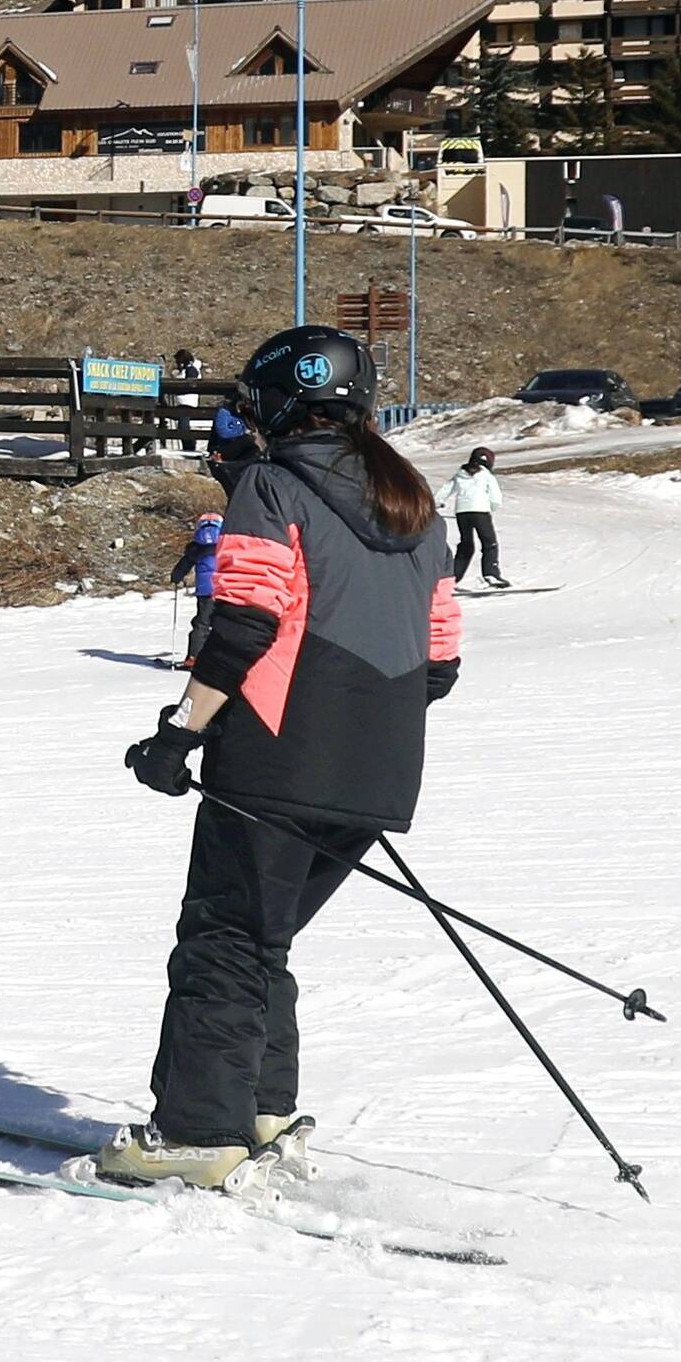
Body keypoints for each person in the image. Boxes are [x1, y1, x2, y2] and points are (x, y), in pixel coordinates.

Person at [104, 323, 460, 1189]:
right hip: (380, 773)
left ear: (273, 405)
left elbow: (245, 624)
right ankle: (263, 1115)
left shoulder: (269, 483)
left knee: (223, 940)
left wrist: (181, 732)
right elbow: (440, 662)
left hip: (274, 760)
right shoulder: (415, 507)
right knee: (263, 941)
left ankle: (196, 1136)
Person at [446, 447, 509, 589]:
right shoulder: (487, 476)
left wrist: (436, 503)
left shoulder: (459, 474)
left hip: (462, 513)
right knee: (489, 543)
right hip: (480, 512)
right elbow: (496, 498)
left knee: (466, 545)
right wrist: (491, 507)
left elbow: (446, 489)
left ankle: (451, 579)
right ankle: (491, 574)